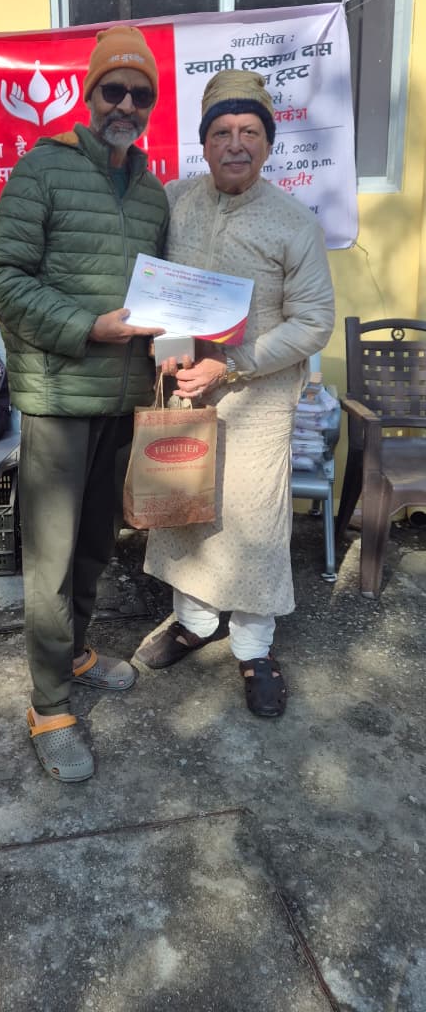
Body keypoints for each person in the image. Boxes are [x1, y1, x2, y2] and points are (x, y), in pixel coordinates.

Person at [0, 26, 168, 782]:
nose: (126, 104)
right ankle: (48, 703)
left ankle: (77, 651)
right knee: (51, 560)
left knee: (95, 544)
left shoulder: (151, 190)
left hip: (122, 399)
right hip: (59, 397)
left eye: (140, 95)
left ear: (150, 106)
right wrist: (88, 327)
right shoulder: (44, 168)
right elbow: (1, 278)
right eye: (113, 90)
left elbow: (163, 293)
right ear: (90, 96)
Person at [135, 69, 335, 718]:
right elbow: (151, 282)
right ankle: (194, 621)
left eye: (249, 131)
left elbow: (313, 322)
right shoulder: (174, 201)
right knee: (184, 511)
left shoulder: (291, 223)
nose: (235, 144)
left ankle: (253, 646)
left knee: (251, 523)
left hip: (257, 403)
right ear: (204, 143)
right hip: (183, 391)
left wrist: (235, 363)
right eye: (221, 132)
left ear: (268, 143)